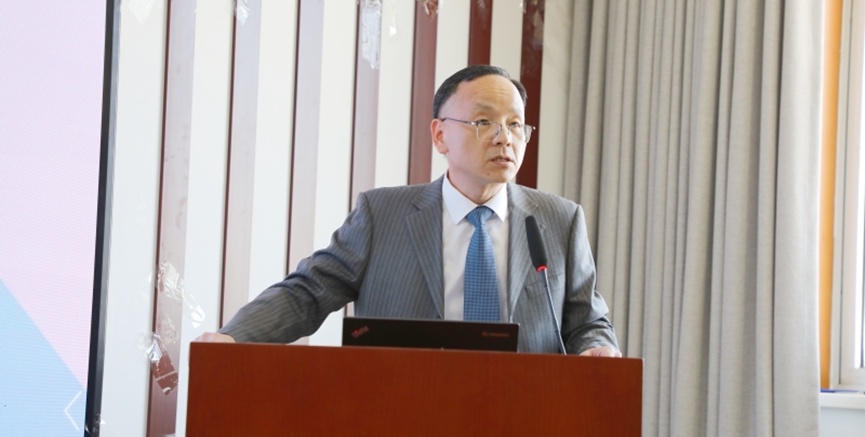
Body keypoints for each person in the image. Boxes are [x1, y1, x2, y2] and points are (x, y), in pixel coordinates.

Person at [196, 65, 620, 357]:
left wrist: (598, 348)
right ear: (440, 135)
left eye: (515, 124)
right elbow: (307, 293)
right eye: (484, 122)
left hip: (524, 414)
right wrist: (234, 338)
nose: (504, 138)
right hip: (403, 407)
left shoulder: (559, 220)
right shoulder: (382, 215)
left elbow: (586, 321)